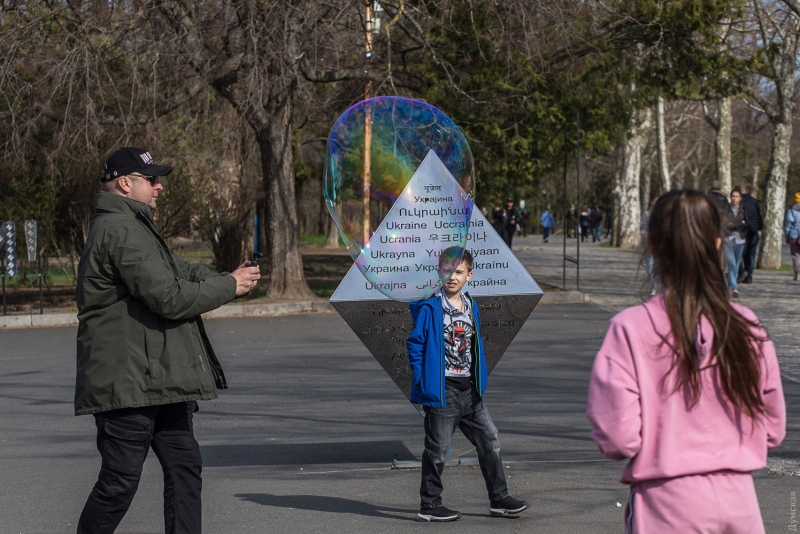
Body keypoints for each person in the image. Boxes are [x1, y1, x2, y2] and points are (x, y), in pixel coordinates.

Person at [75, 147, 261, 534]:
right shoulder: (119, 231)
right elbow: (169, 297)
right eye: (152, 179)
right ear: (126, 183)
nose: (160, 187)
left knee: (184, 467)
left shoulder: (136, 226)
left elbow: (182, 271)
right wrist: (229, 286)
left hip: (160, 381)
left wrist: (225, 277)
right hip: (128, 384)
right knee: (119, 483)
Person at [587, 189, 786, 534]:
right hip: (739, 502)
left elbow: (619, 437)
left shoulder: (630, 328)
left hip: (665, 503)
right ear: (718, 243)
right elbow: (772, 427)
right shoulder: (748, 326)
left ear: (651, 244)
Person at [407, 248, 530, 522]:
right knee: (437, 451)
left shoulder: (471, 304)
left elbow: (475, 344)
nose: (453, 277)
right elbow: (416, 344)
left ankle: (499, 499)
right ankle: (430, 504)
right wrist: (421, 379)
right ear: (439, 272)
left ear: (469, 276)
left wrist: (479, 378)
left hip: (470, 391)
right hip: (443, 391)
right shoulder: (430, 307)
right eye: (448, 271)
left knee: (490, 440)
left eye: (459, 272)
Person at [725, 188, 748, 297]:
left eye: (736, 196)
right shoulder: (726, 209)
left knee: (737, 264)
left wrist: (737, 224)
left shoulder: (744, 209)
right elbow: (724, 223)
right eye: (732, 196)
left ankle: (730, 287)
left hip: (740, 239)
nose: (734, 198)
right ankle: (735, 287)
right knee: (731, 263)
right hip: (728, 240)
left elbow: (747, 224)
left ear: (740, 198)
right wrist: (739, 223)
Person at [738, 184, 763, 284]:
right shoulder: (754, 201)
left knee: (740, 254)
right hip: (753, 231)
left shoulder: (739, 202)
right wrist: (759, 227)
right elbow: (759, 216)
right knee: (751, 255)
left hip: (743, 231)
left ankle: (742, 273)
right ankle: (749, 276)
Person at [785, 192, 800, 281]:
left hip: (794, 236)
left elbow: (788, 225)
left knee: (796, 256)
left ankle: (798, 273)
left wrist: (787, 235)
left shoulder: (791, 211)